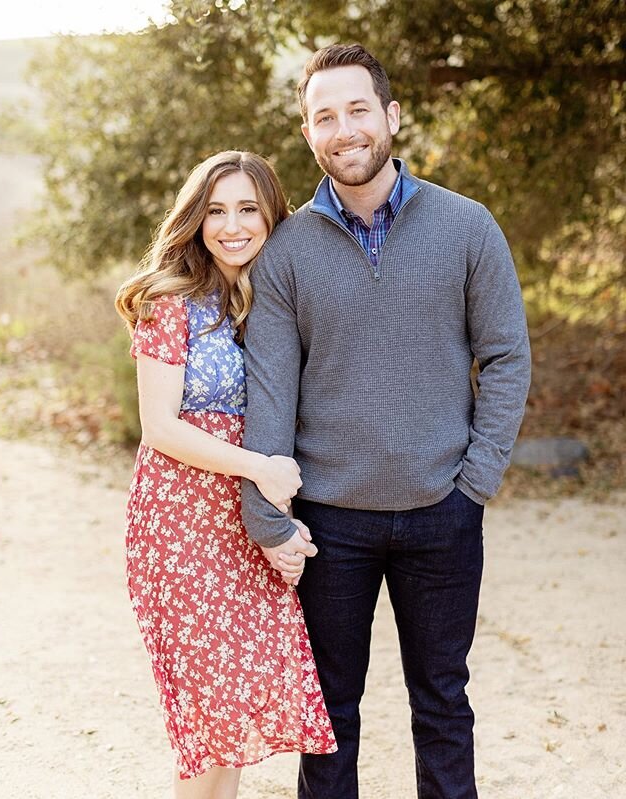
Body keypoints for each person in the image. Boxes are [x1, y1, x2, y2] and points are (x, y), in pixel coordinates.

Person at [240, 45, 532, 799]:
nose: (345, 130)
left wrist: (476, 482)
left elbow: (505, 356)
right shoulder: (286, 253)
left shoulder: (468, 228)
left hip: (444, 511)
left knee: (442, 707)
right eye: (325, 117)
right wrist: (269, 517)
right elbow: (272, 392)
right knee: (329, 718)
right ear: (308, 133)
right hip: (329, 523)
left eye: (358, 109)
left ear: (391, 115)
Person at [114, 150, 336, 799]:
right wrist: (259, 468)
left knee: (232, 705)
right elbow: (160, 427)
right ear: (195, 218)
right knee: (205, 707)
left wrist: (276, 511)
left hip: (243, 521)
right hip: (181, 526)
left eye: (248, 209)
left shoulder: (267, 300)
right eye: (216, 210)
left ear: (273, 217)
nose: (231, 225)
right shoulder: (168, 301)